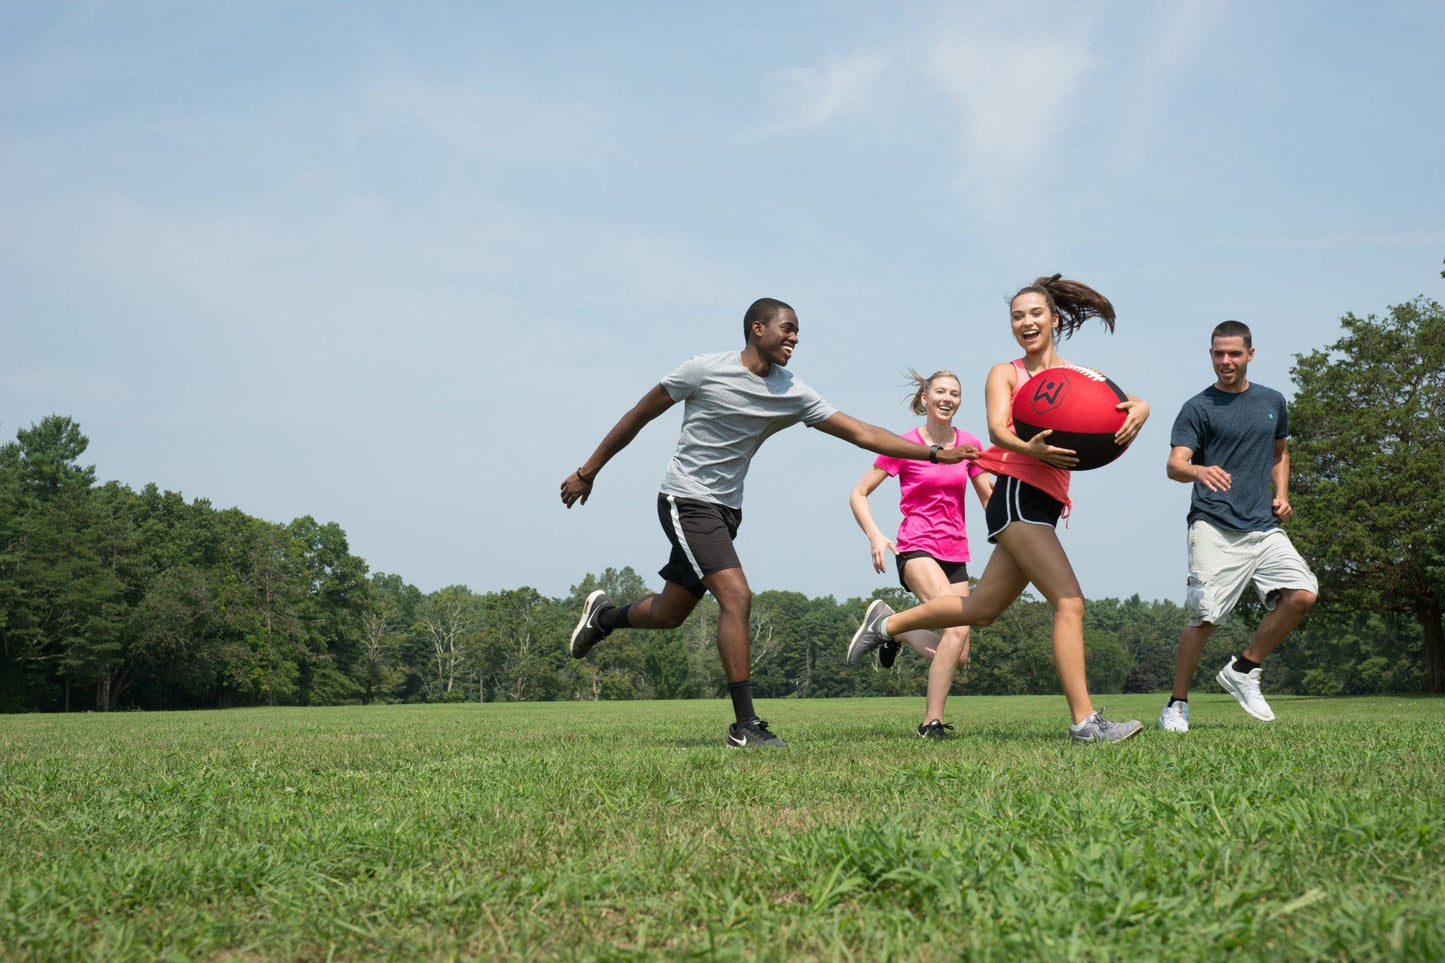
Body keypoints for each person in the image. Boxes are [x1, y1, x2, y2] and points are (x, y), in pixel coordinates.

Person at [560, 297, 978, 749]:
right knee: (737, 597)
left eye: (798, 331)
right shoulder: (703, 369)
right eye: (788, 328)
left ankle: (604, 618)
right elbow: (638, 416)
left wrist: (935, 453)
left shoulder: (790, 390)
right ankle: (745, 726)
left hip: (726, 510)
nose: (795, 338)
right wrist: (588, 471)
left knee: (670, 613)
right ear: (758, 328)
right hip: (686, 499)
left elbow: (861, 433)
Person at [847, 274, 1148, 743]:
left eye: (1034, 314)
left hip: (1046, 503)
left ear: (1054, 319)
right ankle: (1085, 722)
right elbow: (996, 433)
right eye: (1016, 316)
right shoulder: (1004, 373)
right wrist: (1037, 450)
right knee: (1070, 602)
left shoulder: (1074, 375)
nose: (1025, 322)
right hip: (1018, 496)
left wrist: (1141, 408)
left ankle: (886, 625)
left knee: (980, 610)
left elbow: (1111, 408)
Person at [1157, 321, 1319, 732]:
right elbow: (1174, 465)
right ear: (1210, 355)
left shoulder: (1272, 401)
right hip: (1213, 525)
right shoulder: (1198, 407)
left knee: (1303, 594)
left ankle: (1245, 668)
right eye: (1217, 353)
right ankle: (1176, 704)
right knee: (1204, 618)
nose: (1225, 361)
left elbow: (1280, 452)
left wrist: (1282, 493)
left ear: (1250, 354)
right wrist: (1199, 470)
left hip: (1262, 525)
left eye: (1233, 354)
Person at [848, 369, 994, 739]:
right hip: (916, 548)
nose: (948, 398)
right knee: (958, 627)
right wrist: (875, 536)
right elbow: (859, 493)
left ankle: (894, 630)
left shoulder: (970, 444)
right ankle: (931, 723)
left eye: (955, 393)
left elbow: (988, 497)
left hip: (956, 553)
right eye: (941, 391)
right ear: (925, 398)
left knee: (958, 653)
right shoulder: (905, 445)